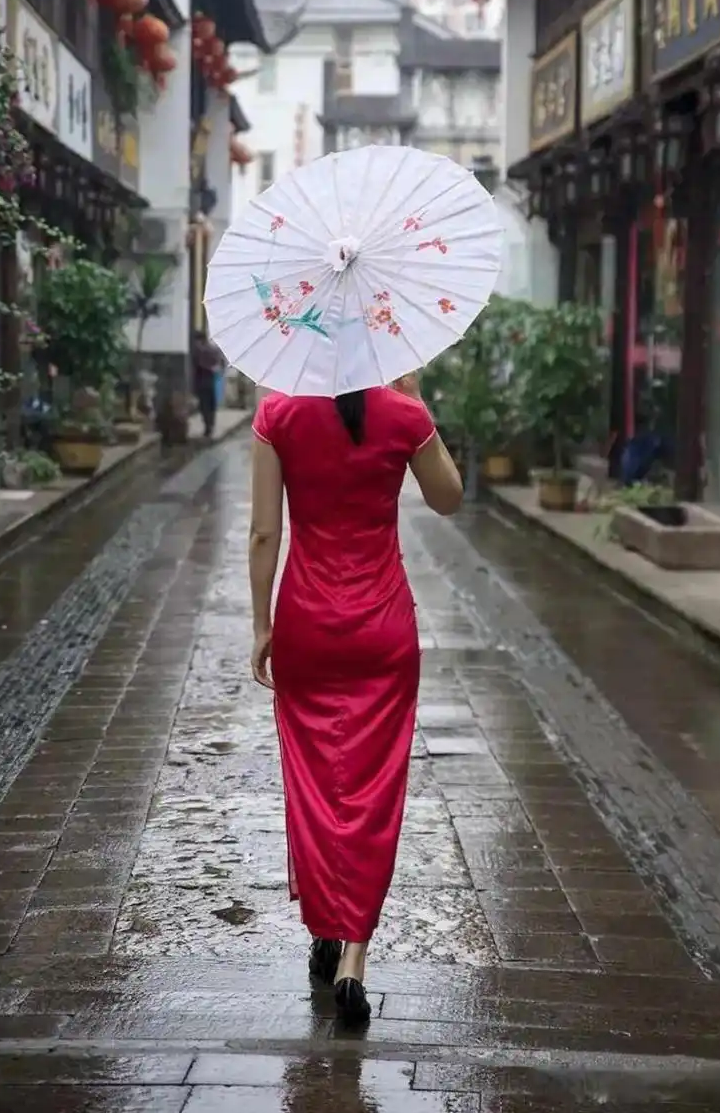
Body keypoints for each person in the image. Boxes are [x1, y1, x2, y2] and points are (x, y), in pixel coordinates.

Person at [249, 375, 463, 1026]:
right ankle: (353, 958)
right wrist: (417, 402)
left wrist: (262, 627)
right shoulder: (402, 412)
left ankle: (324, 924)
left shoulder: (277, 411)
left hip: (307, 623)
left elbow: (264, 535)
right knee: (372, 787)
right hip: (382, 627)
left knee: (316, 782)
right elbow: (449, 499)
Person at [192, 329, 220, 439]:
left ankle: (208, 428)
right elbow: (217, 363)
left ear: (199, 340)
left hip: (202, 382)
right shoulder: (212, 349)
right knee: (211, 405)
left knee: (204, 406)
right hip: (211, 381)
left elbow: (198, 365)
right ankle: (211, 425)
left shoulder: (199, 351)